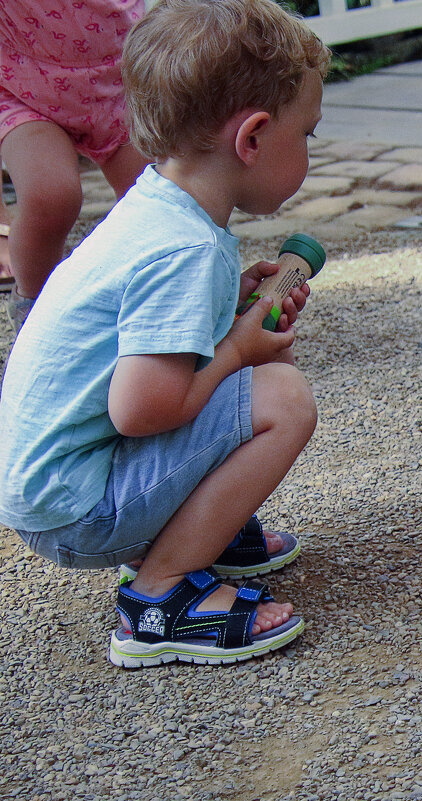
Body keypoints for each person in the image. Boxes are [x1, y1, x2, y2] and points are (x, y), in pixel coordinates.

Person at [0, 0, 331, 667]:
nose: (311, 149)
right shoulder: (184, 249)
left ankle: (196, 530)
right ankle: (159, 597)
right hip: (76, 509)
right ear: (253, 138)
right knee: (282, 398)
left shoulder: (158, 207)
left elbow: (152, 342)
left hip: (57, 484)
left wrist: (229, 304)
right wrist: (236, 347)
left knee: (253, 378)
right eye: (309, 134)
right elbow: (141, 407)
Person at [0, 0, 152, 329]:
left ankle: (154, 311)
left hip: (120, 72)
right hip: (24, 81)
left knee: (157, 198)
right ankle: (38, 321)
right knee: (50, 196)